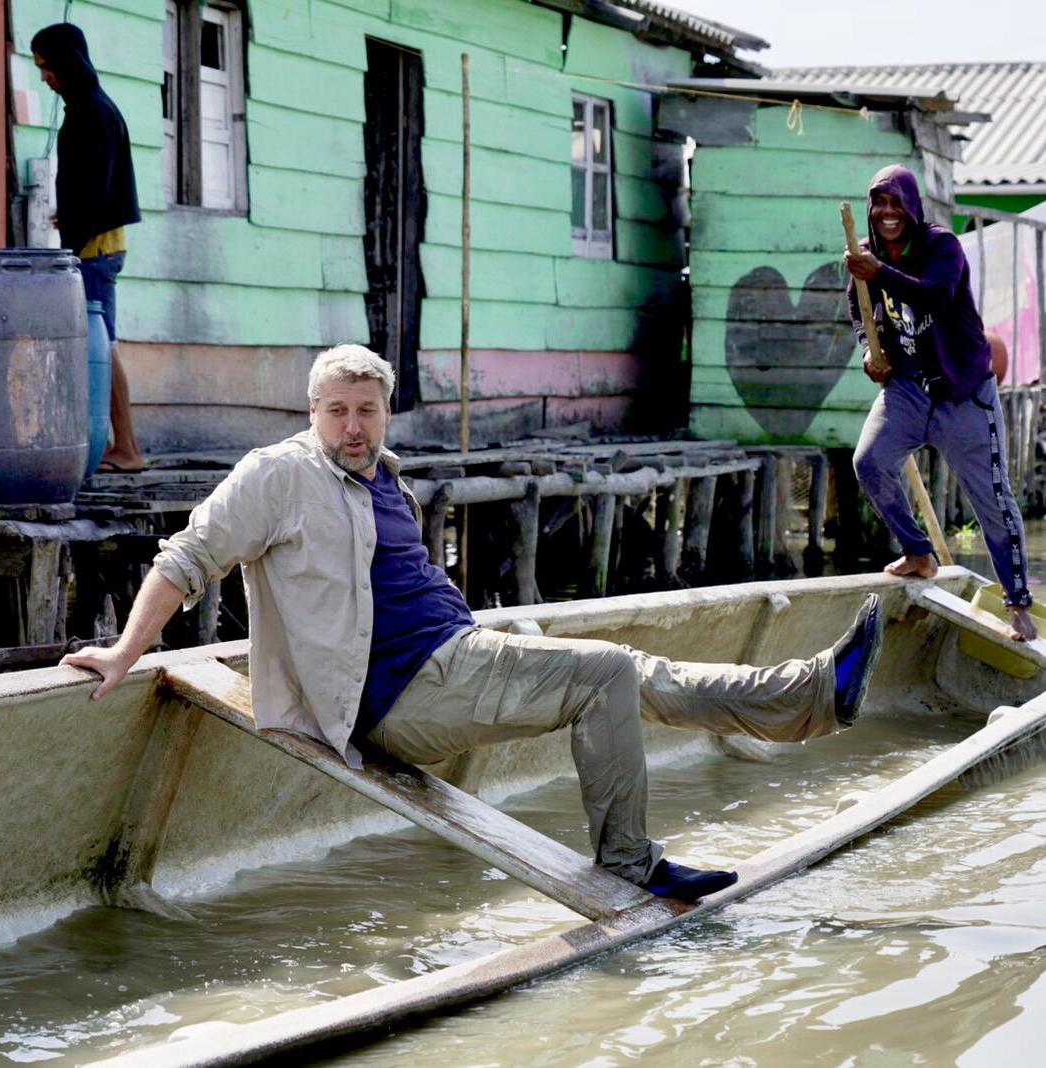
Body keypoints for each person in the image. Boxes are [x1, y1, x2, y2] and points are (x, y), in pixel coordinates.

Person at [62, 345, 883, 903]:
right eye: (338, 411)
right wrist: (127, 653)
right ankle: (632, 863)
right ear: (312, 411)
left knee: (631, 672)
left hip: (456, 657)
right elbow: (187, 556)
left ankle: (810, 696)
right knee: (607, 673)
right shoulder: (278, 475)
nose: (353, 427)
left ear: (387, 413)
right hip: (399, 694)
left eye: (367, 411)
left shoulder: (384, 477)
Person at [845, 165, 1036, 642]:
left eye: (897, 203)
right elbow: (858, 306)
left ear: (913, 208)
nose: (888, 212)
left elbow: (936, 296)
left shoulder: (941, 246)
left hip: (962, 391)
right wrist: (869, 349)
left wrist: (879, 272)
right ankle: (919, 553)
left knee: (992, 502)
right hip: (908, 389)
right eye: (879, 203)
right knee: (869, 461)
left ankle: (1017, 603)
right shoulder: (865, 256)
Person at [31, 23, 145, 473]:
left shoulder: (90, 111)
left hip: (94, 250)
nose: (44, 76)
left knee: (103, 347)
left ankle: (127, 448)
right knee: (103, 345)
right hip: (100, 244)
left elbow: (97, 187)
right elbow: (98, 185)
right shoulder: (93, 106)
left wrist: (70, 247)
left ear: (66, 63)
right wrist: (72, 216)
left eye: (47, 67)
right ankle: (120, 445)